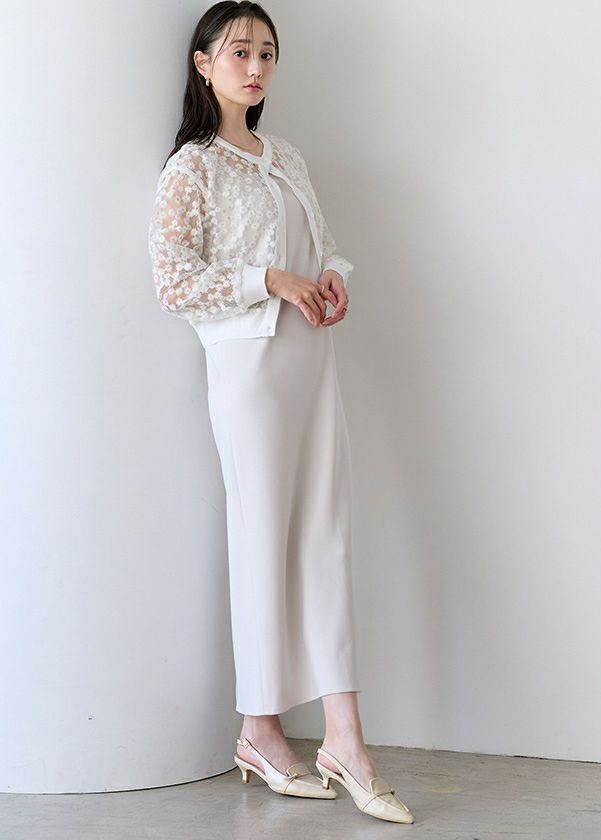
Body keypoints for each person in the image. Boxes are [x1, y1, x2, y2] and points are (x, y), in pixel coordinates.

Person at [147, 1, 414, 825]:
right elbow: (173, 280)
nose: (256, 66)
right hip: (248, 364)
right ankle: (260, 729)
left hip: (310, 358)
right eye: (239, 52)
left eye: (267, 52)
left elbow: (320, 243)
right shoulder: (192, 167)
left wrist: (329, 274)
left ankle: (343, 737)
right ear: (203, 64)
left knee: (325, 535)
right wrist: (269, 280)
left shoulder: (287, 155)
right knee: (262, 537)